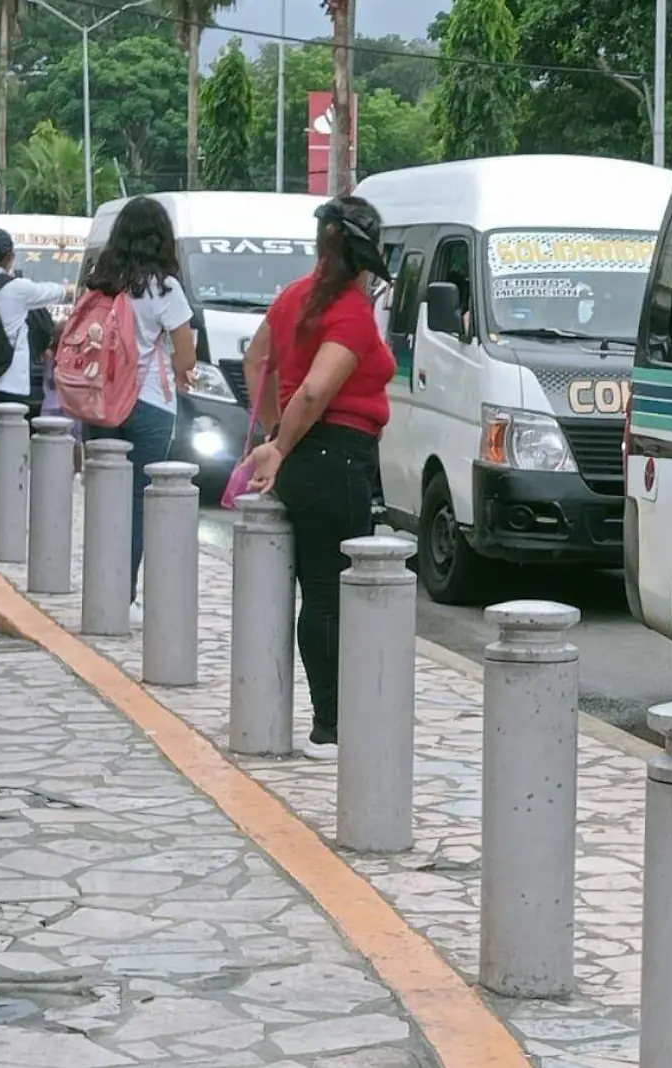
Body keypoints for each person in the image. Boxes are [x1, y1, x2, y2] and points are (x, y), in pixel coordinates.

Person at [241, 196, 396, 761]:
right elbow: (316, 389)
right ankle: (330, 725)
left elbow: (257, 361)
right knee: (332, 594)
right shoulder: (352, 313)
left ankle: (329, 718)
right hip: (337, 456)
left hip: (310, 454)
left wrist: (275, 434)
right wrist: (279, 445)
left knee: (320, 589)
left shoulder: (292, 298)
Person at [77, 198, 198, 628]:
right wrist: (182, 372)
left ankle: (100, 590)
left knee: (105, 499)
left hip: (99, 402)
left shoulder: (100, 282)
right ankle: (123, 596)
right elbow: (185, 357)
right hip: (149, 405)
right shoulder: (164, 288)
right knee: (138, 505)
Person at [0, 228, 68, 412]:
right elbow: (55, 292)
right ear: (9, 256)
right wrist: (68, 288)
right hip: (9, 382)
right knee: (9, 437)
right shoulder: (17, 288)